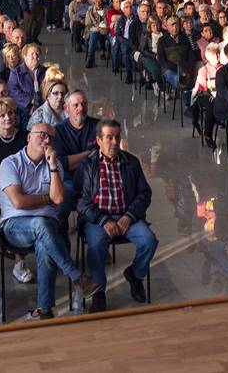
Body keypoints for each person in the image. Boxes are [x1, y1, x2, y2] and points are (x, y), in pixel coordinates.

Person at [0, 123, 100, 321]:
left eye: (51, 138)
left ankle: (44, 309)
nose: (47, 141)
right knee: (40, 225)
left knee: (44, 242)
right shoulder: (10, 163)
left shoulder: (55, 164)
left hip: (47, 226)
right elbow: (18, 202)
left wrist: (53, 166)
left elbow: (59, 198)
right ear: (28, 137)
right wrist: (46, 199)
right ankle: (76, 276)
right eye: (42, 135)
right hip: (15, 227)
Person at [75, 120, 157, 312]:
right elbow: (80, 200)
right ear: (98, 140)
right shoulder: (87, 165)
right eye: (109, 137)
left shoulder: (131, 162)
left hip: (127, 216)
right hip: (97, 218)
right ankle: (99, 292)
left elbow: (144, 193)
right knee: (96, 246)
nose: (114, 142)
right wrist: (103, 220)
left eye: (117, 137)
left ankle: (135, 275)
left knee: (149, 241)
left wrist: (128, 216)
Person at [8, 43, 45, 115]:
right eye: (32, 54)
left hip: (43, 107)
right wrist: (31, 100)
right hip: (23, 109)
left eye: (37, 54)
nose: (35, 56)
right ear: (25, 57)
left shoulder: (46, 71)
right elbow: (13, 91)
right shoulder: (16, 72)